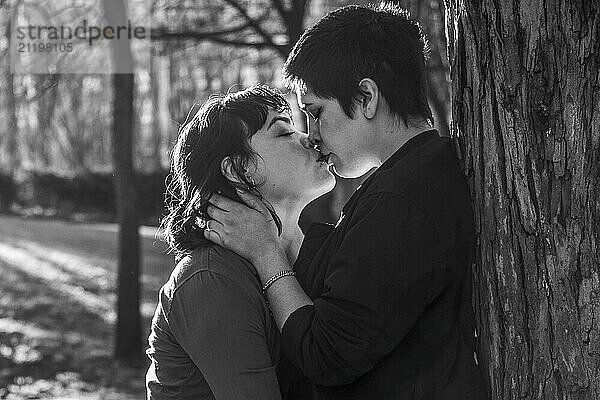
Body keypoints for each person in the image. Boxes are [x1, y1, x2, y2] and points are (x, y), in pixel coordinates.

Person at [203, 3, 488, 400]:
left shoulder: (401, 199)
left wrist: (266, 252)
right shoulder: (413, 178)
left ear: (366, 97)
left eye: (316, 113)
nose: (313, 135)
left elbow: (325, 354)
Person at [145, 85, 335, 399]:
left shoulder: (317, 250)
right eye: (285, 132)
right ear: (239, 169)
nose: (310, 138)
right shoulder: (211, 278)